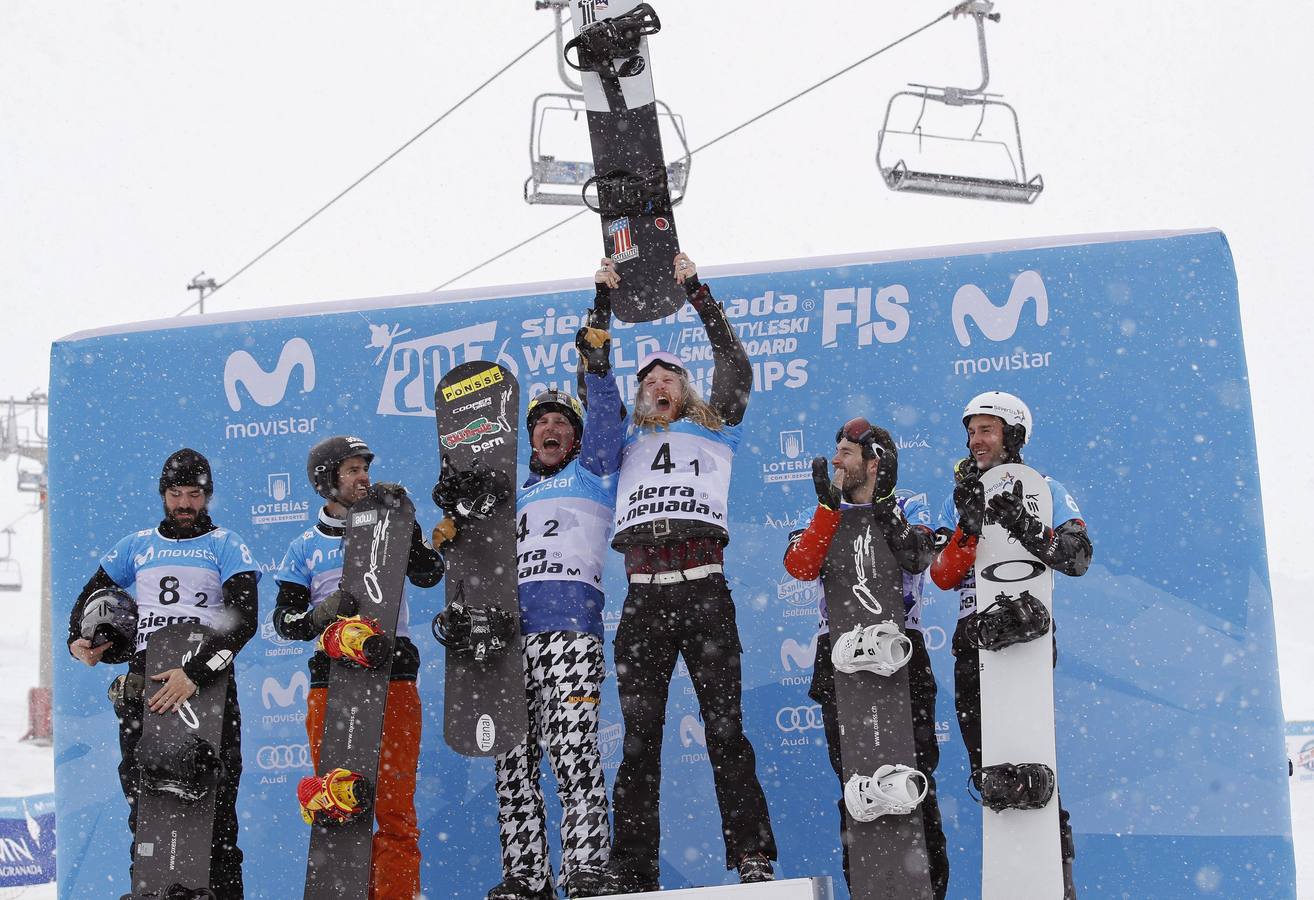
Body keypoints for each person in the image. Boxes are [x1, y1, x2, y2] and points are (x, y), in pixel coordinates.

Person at [446, 263, 625, 900]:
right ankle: (527, 878)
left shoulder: (594, 470)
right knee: (511, 765)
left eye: (560, 422)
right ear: (528, 438)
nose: (549, 428)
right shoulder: (512, 496)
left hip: (569, 633)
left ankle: (586, 869)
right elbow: (476, 568)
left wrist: (597, 329)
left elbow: (606, 410)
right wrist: (454, 538)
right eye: (539, 423)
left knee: (575, 754)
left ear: (577, 436)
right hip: (508, 643)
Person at [604, 252, 776, 893]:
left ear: (686, 386)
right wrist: (601, 302)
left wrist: (696, 290)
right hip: (642, 600)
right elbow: (594, 380)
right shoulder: (619, 441)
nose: (658, 383)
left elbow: (736, 363)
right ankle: (632, 868)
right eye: (648, 378)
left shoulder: (717, 429)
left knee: (726, 732)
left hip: (704, 591)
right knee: (639, 741)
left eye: (669, 375)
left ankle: (752, 856)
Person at [66, 448, 259, 899]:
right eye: (176, 494)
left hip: (207, 685)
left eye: (194, 494)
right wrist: (78, 640)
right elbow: (88, 600)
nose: (185, 504)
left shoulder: (226, 544)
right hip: (145, 684)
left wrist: (195, 673)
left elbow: (243, 620)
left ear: (207, 496)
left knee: (216, 816)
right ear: (163, 494)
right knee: (147, 812)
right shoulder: (136, 545)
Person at [928, 391, 1092, 900]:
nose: (975, 441)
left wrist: (1024, 525)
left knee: (1032, 764)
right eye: (970, 432)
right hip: (972, 642)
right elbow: (942, 576)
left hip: (1027, 637)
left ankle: (1058, 883)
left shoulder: (1047, 488)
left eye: (986, 430)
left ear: (1013, 435)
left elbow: (1077, 557)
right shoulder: (959, 496)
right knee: (993, 772)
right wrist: (968, 529)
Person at [783, 418, 949, 899]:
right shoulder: (822, 510)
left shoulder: (910, 505)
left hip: (902, 648)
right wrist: (827, 511)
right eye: (836, 450)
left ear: (875, 463)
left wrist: (884, 504)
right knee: (855, 781)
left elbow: (918, 557)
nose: (836, 460)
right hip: (837, 653)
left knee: (915, 779)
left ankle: (930, 891)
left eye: (846, 453)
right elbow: (800, 567)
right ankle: (867, 889)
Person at [273, 435, 444, 900]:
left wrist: (405, 520)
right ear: (326, 481)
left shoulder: (391, 525)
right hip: (333, 681)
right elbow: (284, 623)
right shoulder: (304, 547)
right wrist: (322, 614)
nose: (363, 477)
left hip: (394, 675)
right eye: (351, 470)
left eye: (365, 468)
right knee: (340, 802)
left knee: (394, 809)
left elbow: (429, 574)